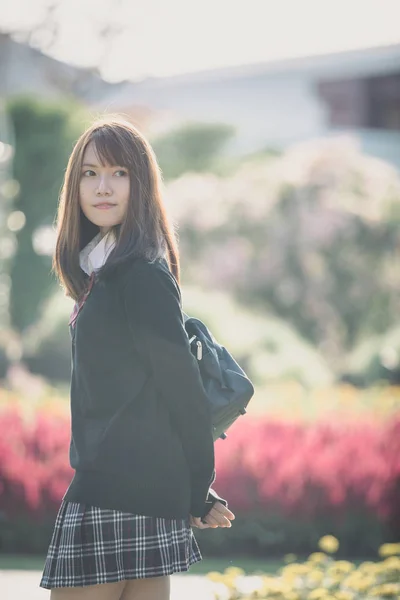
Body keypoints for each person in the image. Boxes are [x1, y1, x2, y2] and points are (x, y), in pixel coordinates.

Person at [39, 116, 235, 600]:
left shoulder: (139, 274)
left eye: (119, 173)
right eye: (90, 174)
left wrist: (196, 487)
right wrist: (192, 492)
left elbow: (181, 389)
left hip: (113, 491)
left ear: (140, 183)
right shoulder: (102, 273)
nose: (102, 187)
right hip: (140, 489)